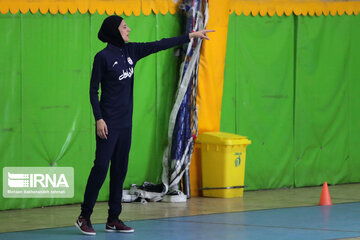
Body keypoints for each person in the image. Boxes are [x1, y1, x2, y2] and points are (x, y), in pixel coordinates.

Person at [75, 15, 214, 236]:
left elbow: (159, 44)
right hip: (107, 125)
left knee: (119, 171)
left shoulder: (131, 52)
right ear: (114, 31)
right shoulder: (102, 57)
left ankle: (113, 219)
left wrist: (190, 36)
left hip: (125, 125)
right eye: (124, 26)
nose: (128, 29)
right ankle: (84, 216)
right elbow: (93, 91)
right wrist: (99, 119)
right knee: (101, 168)